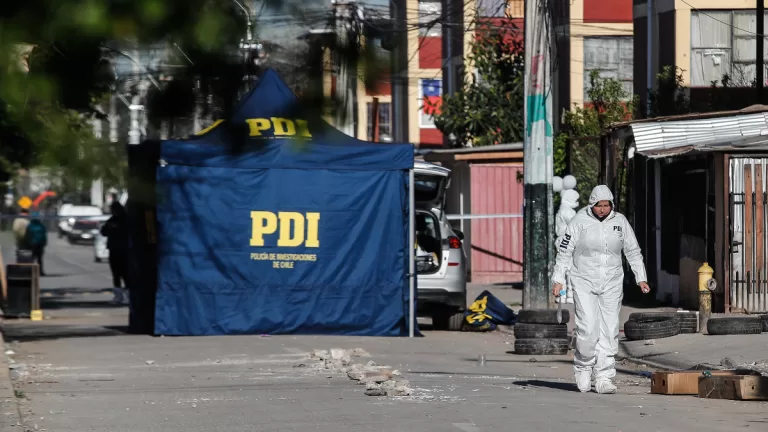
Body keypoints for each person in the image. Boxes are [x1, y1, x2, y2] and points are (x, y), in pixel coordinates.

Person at [551, 185, 650, 394]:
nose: (603, 209)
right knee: (588, 327)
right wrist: (558, 279)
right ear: (592, 205)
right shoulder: (579, 221)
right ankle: (583, 366)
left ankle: (604, 376)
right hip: (584, 280)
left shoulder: (620, 222)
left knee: (610, 328)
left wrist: (641, 277)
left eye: (606, 205)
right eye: (599, 205)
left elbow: (632, 250)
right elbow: (565, 251)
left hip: (612, 281)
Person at [101, 202, 130, 305]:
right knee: (116, 274)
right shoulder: (112, 220)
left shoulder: (126, 220)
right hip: (114, 250)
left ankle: (127, 295)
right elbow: (103, 231)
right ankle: (118, 295)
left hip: (124, 250)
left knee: (125, 274)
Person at [555, 188, 580, 304]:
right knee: (569, 269)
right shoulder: (568, 211)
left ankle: (563, 295)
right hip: (567, 240)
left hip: (561, 240)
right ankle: (568, 294)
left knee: (563, 268)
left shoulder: (561, 210)